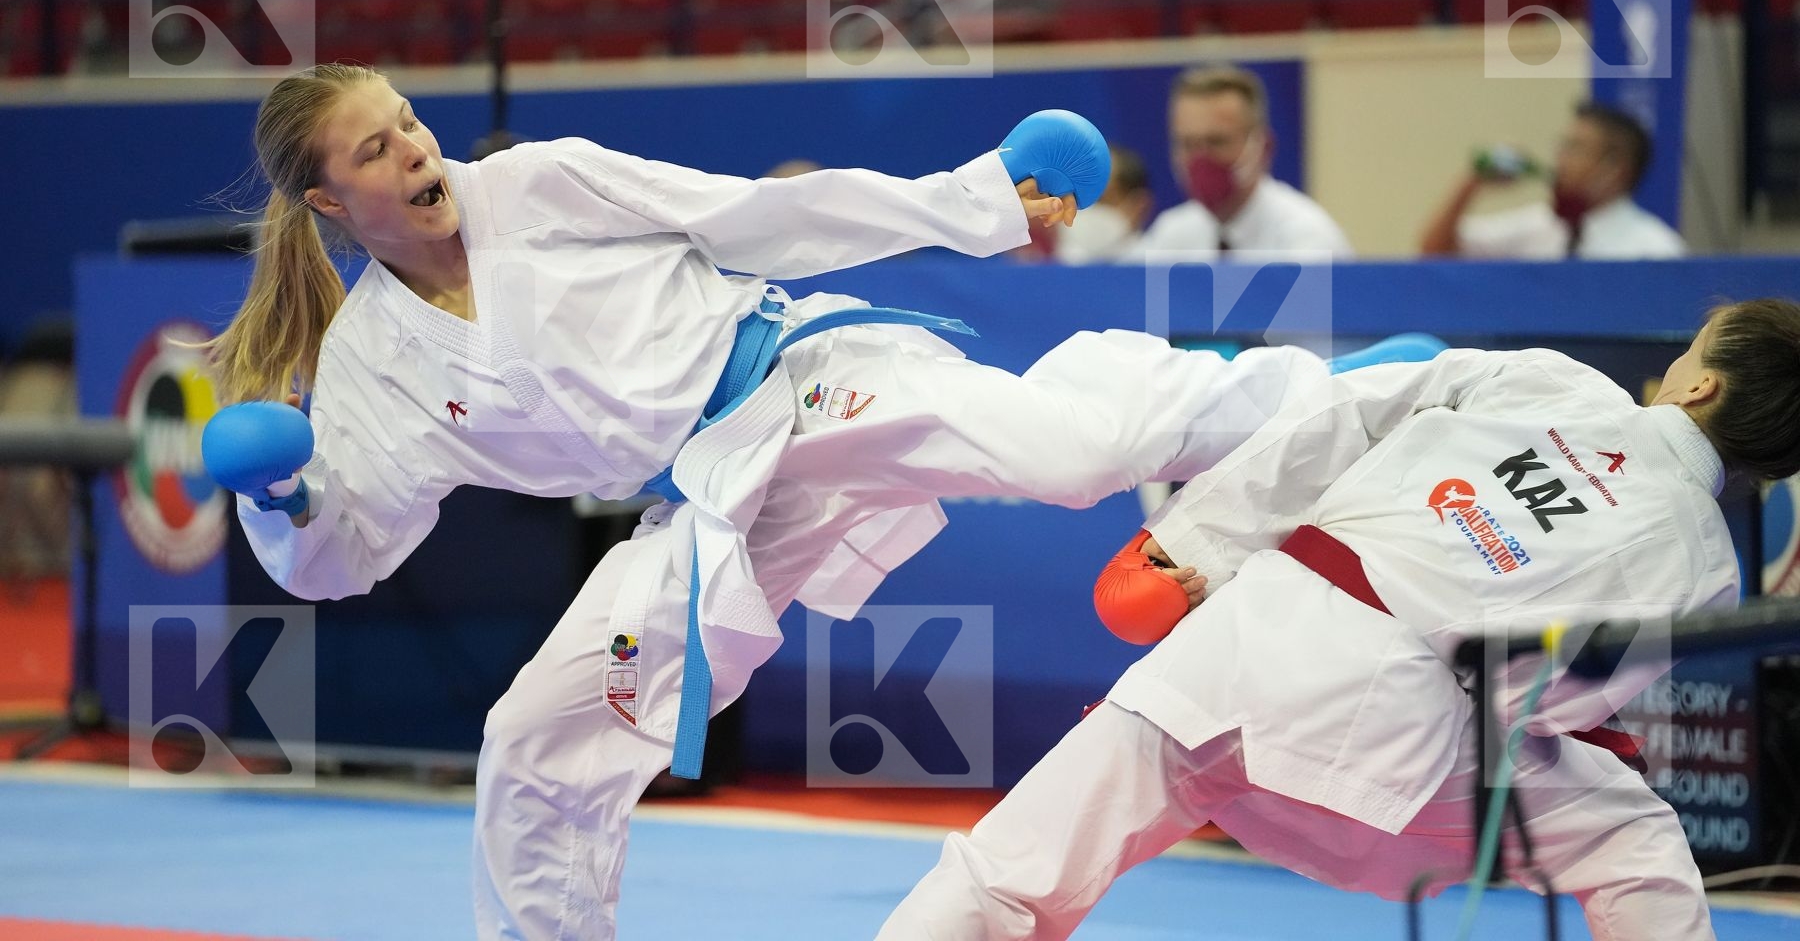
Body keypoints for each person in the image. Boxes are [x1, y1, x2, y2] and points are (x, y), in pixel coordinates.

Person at [195, 63, 1360, 941]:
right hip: (707, 508)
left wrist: (981, 198)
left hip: (806, 381)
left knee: (1067, 456)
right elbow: (345, 555)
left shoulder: (538, 186)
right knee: (536, 743)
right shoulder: (372, 365)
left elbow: (762, 218)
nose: (412, 148)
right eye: (374, 148)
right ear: (330, 203)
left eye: (407, 121)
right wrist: (284, 497)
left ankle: (1330, 400)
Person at [880, 298, 1800, 941]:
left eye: (1693, 348)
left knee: (1012, 867)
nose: (1677, 359)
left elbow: (1344, 411)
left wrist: (1193, 547)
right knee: (1632, 842)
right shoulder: (1707, 569)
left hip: (1240, 645)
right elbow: (1543, 696)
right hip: (1399, 736)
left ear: (1700, 388)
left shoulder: (1555, 383)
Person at [1133, 65, 1352, 260]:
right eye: (1187, 144)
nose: (1200, 159)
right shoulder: (1171, 237)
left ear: (1263, 147)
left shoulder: (1307, 241)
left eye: (1217, 142)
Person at [1420, 102, 1685, 259]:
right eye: (1561, 147)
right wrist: (1471, 183)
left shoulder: (1655, 248)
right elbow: (1435, 252)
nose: (1560, 159)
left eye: (1575, 149)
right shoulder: (1538, 224)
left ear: (1615, 168)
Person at [1053, 144, 1155, 265]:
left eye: (1100, 198)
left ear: (1139, 206)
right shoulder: (1052, 261)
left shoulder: (1156, 263)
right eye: (1076, 198)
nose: (1079, 210)